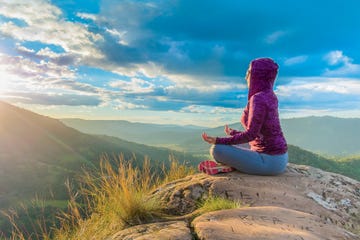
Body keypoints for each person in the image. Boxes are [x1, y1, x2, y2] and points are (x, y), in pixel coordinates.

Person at [200, 57, 288, 175]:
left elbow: (251, 134)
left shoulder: (258, 99)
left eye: (249, 72)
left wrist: (218, 140)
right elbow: (260, 133)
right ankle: (239, 164)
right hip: (278, 158)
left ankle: (235, 166)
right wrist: (234, 133)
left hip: (269, 161)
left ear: (258, 75)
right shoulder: (269, 95)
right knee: (229, 144)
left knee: (217, 149)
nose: (246, 76)